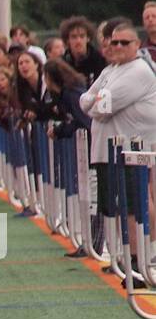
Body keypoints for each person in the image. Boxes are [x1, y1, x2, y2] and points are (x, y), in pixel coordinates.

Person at [81, 20, 156, 285]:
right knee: (113, 206)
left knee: (136, 207)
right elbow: (85, 100)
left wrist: (97, 102)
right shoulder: (110, 70)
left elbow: (102, 106)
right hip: (108, 151)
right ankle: (124, 258)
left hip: (133, 151)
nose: (119, 46)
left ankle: (139, 261)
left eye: (125, 42)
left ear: (137, 45)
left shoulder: (138, 71)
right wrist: (97, 102)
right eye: (114, 42)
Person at [43, 58, 93, 258]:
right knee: (87, 196)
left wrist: (62, 130)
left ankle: (94, 244)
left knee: (92, 197)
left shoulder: (72, 95)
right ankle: (89, 243)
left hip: (90, 150)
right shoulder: (68, 94)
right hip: (85, 147)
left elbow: (84, 122)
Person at [60, 17, 107, 84]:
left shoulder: (100, 60)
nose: (78, 41)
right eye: (74, 37)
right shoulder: (62, 64)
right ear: (67, 40)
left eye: (82, 36)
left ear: (88, 38)